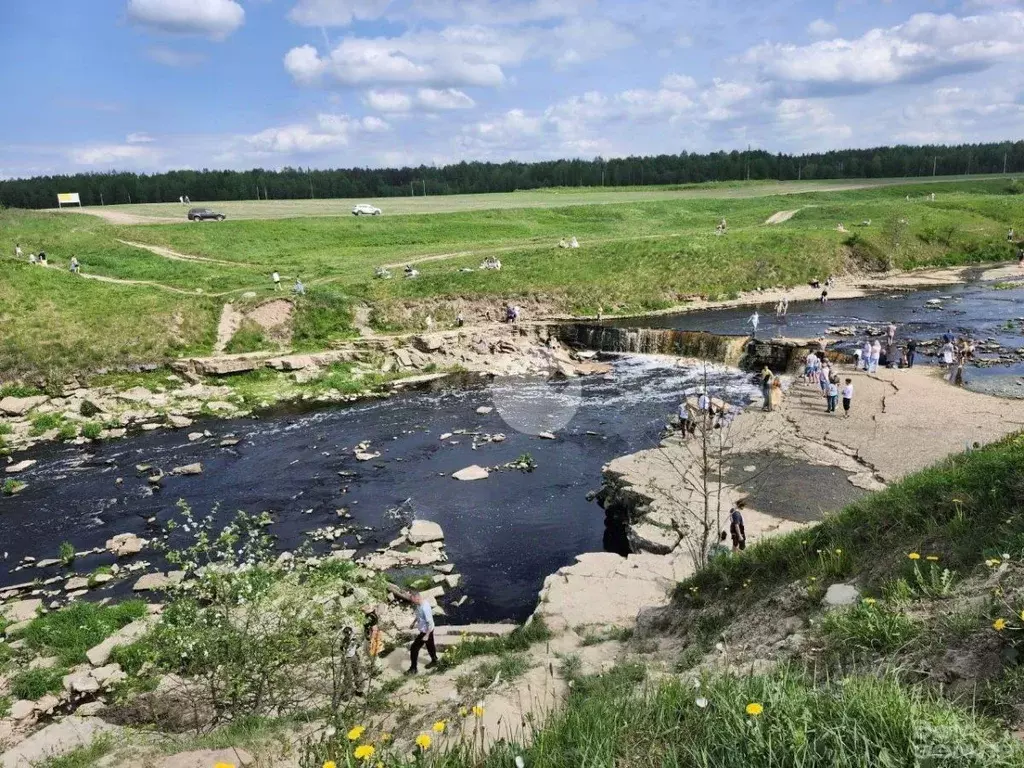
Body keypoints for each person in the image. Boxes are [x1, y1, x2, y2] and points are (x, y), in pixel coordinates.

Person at [408, 593, 438, 674]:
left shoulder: (425, 608)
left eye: (413, 601)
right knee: (430, 646)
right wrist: (413, 623)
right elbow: (419, 615)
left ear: (417, 599)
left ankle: (413, 669)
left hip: (426, 631)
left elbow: (430, 623)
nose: (412, 602)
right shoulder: (420, 604)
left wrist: (427, 635)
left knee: (414, 648)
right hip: (425, 631)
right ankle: (435, 660)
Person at [340, 625, 364, 694]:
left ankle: (356, 690)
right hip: (350, 658)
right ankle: (351, 690)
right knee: (351, 674)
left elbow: (358, 644)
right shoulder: (348, 640)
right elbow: (343, 648)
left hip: (351, 657)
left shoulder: (351, 639)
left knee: (354, 673)